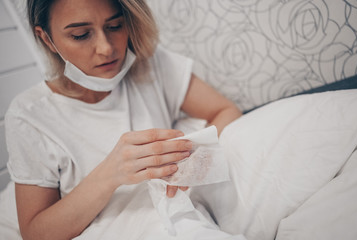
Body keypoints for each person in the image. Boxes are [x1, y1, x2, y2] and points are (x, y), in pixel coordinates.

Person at [5, 0, 242, 239]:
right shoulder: (30, 116)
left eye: (115, 26)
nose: (106, 48)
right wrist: (110, 174)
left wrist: (194, 162)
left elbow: (225, 110)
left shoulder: (150, 66)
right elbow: (35, 233)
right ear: (47, 39)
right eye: (81, 34)